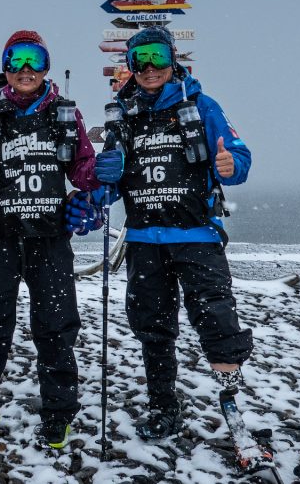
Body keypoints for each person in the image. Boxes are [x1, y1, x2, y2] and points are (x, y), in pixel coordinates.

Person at [92, 25, 254, 440]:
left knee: (217, 322)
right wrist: (103, 180)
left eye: (157, 57)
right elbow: (107, 184)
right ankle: (163, 407)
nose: (149, 68)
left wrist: (230, 166)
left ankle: (232, 403)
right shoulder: (122, 115)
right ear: (130, 66)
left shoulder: (200, 104)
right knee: (153, 327)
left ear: (173, 58)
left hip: (196, 235)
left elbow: (238, 154)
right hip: (144, 239)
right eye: (139, 60)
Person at [0, 30, 101, 449]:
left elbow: (83, 170)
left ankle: (59, 414)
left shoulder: (65, 114)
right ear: (6, 67)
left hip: (50, 237)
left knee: (55, 327)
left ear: (47, 65)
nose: (26, 70)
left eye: (35, 59)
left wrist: (102, 173)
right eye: (17, 60)